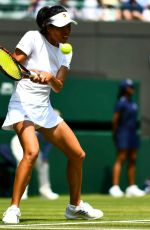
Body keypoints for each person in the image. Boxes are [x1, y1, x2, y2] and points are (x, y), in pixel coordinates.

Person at [2, 5, 103, 224]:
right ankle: (13, 209)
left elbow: (59, 86)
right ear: (47, 27)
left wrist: (48, 77)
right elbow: (12, 66)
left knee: (78, 154)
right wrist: (29, 75)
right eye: (60, 27)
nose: (66, 31)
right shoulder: (32, 38)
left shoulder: (67, 50)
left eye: (68, 26)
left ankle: (74, 207)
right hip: (22, 105)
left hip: (44, 109)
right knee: (31, 152)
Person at [109, 79, 145, 197]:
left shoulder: (132, 103)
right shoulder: (121, 102)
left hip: (132, 133)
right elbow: (115, 120)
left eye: (132, 87)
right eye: (130, 87)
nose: (132, 89)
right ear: (125, 89)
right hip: (123, 132)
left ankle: (131, 187)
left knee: (133, 158)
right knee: (121, 158)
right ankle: (114, 187)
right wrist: (116, 134)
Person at [11, 133, 59, 200]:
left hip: (32, 147)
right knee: (24, 166)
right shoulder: (40, 129)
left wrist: (44, 157)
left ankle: (45, 191)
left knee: (44, 165)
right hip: (19, 142)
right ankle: (21, 193)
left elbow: (47, 145)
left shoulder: (52, 134)